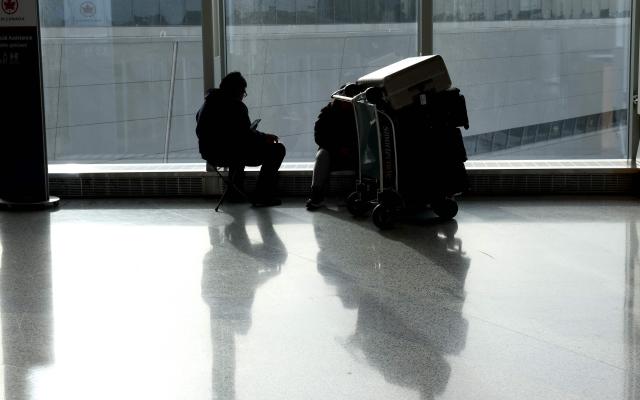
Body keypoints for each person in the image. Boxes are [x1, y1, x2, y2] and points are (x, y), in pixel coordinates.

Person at [196, 72, 286, 207]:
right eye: (243, 91)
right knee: (277, 150)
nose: (243, 95)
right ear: (236, 90)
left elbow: (234, 134)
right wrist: (264, 137)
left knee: (237, 148)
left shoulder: (206, 105)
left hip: (210, 154)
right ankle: (262, 195)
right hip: (230, 153)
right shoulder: (235, 106)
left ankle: (234, 192)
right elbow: (245, 136)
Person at [305, 96, 358, 210]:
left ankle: (356, 193)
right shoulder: (327, 113)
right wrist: (339, 148)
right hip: (332, 151)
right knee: (322, 155)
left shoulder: (358, 114)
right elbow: (319, 137)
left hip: (350, 151)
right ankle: (317, 195)